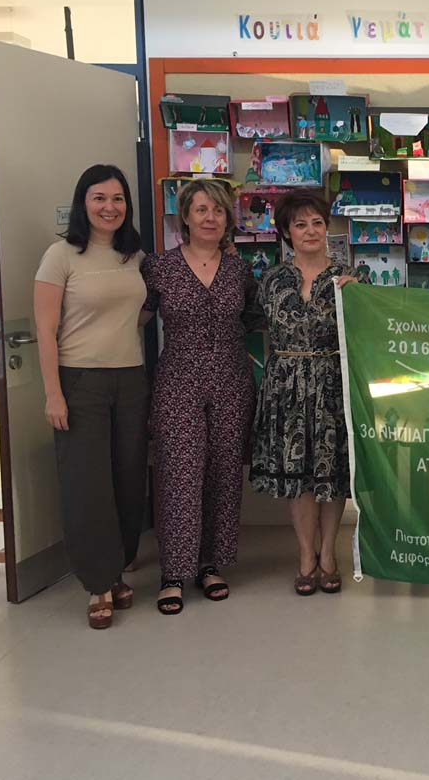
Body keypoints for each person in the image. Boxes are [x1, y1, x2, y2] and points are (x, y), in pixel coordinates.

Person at [33, 165, 149, 630]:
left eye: (118, 198)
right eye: (99, 198)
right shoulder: (60, 255)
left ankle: (116, 570)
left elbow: (136, 314)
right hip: (79, 382)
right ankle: (97, 585)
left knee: (128, 480)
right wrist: (53, 394)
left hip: (131, 379)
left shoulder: (134, 256)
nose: (109, 207)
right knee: (88, 486)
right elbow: (45, 329)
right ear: (84, 202)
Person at [141, 179, 261, 615]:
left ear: (228, 219)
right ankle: (174, 572)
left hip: (232, 380)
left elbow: (258, 319)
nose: (210, 218)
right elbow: (133, 318)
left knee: (224, 473)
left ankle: (210, 565)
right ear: (186, 217)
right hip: (178, 381)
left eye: (218, 210)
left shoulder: (240, 271)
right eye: (201, 209)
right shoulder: (159, 267)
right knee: (179, 473)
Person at [250, 194, 356, 595]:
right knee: (299, 477)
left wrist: (358, 298)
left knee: (332, 474)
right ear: (286, 232)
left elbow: (367, 328)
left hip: (332, 384)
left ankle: (329, 554)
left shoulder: (349, 277)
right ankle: (306, 555)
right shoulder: (271, 279)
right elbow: (251, 324)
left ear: (326, 227)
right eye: (300, 224)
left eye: (316, 222)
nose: (310, 231)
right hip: (286, 387)